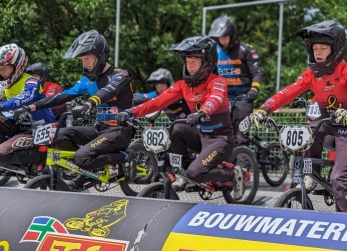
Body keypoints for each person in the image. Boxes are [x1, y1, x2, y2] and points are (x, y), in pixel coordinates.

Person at [250, 20, 347, 213]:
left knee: (338, 179)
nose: (318, 52)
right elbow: (288, 92)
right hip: (325, 124)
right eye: (315, 48)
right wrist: (265, 109)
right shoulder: (310, 74)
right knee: (310, 130)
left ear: (336, 48)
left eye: (323, 47)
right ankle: (311, 174)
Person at [117, 35, 244, 198]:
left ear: (207, 62)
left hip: (220, 139)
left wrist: (202, 112)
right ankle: (184, 171)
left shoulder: (217, 82)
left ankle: (233, 174)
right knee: (177, 128)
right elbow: (157, 102)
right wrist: (131, 112)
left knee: (195, 173)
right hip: (200, 136)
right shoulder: (182, 85)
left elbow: (215, 99)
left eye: (194, 61)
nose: (189, 65)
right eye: (187, 61)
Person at [18, 30, 135, 188]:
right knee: (59, 135)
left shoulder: (119, 75)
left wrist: (89, 103)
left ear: (100, 56)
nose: (84, 64)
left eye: (87, 59)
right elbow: (64, 95)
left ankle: (126, 155)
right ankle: (85, 169)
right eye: (81, 60)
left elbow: (108, 91)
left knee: (81, 157)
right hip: (99, 129)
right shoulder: (87, 80)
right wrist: (30, 107)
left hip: (119, 130)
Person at [208, 15, 263, 146]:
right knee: (220, 135)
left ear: (232, 35)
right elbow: (209, 75)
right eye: (220, 38)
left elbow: (256, 73)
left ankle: (242, 159)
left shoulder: (246, 50)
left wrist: (254, 89)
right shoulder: (214, 52)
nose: (222, 41)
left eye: (225, 37)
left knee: (240, 136)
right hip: (222, 99)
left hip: (243, 98)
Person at [0, 44, 54, 161]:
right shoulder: (6, 84)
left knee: (2, 152)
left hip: (40, 130)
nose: (1, 71)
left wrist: (2, 106)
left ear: (17, 65)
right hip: (20, 126)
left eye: (4, 67)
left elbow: (27, 96)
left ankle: (8, 159)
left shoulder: (31, 81)